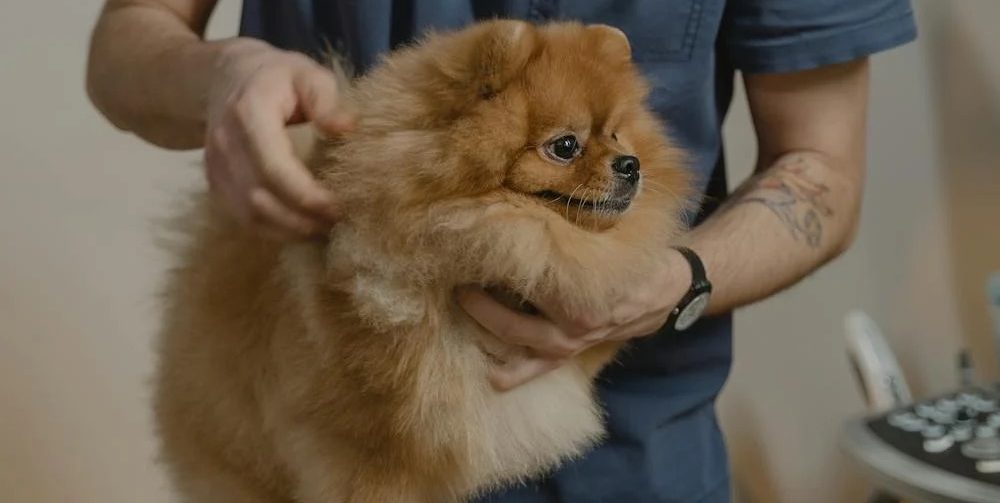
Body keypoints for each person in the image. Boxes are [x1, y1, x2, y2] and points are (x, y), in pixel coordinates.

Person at [86, 1, 917, 501]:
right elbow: (126, 39)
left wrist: (669, 280)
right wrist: (224, 72)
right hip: (299, 451)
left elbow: (822, 169)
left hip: (633, 462)